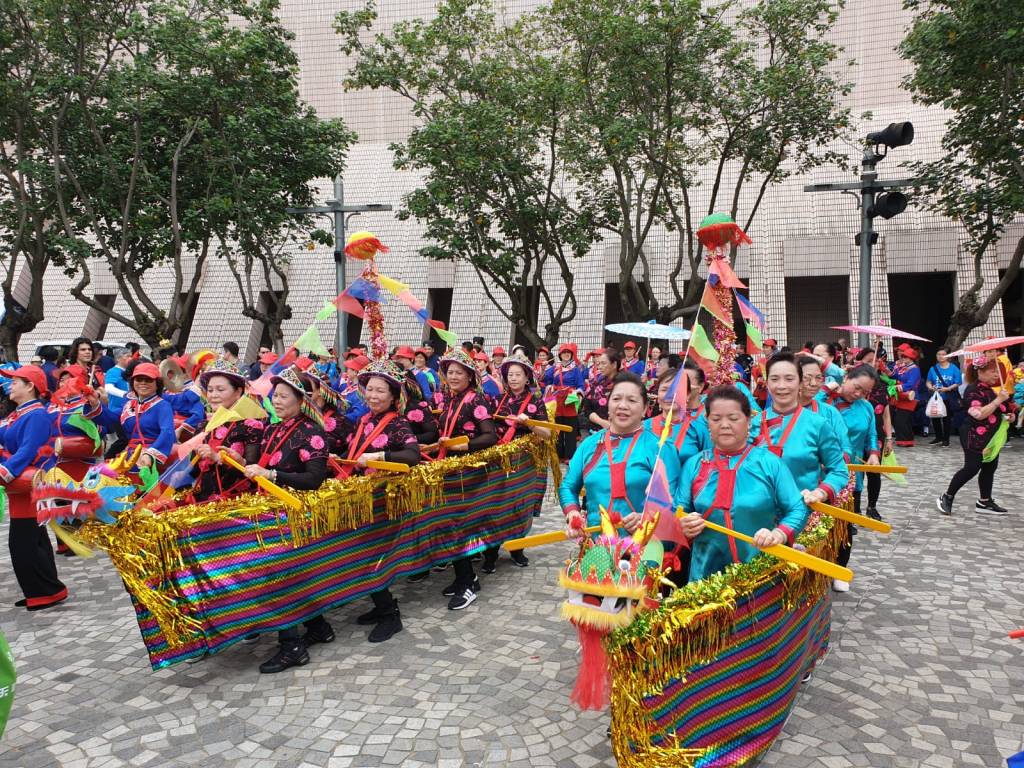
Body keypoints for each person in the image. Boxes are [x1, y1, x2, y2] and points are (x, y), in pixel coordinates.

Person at [243, 365, 333, 672]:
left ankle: (292, 646)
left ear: (301, 400)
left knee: (280, 578)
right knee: (291, 576)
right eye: (275, 396)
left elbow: (314, 479)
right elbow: (259, 465)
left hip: (295, 515)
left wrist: (272, 475)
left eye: (283, 396)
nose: (277, 401)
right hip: (273, 513)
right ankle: (319, 627)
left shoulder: (312, 433)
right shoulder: (273, 428)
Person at [677, 386, 810, 583]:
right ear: (707, 422)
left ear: (748, 421)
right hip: (704, 581)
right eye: (716, 419)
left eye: (733, 418)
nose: (724, 425)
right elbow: (678, 509)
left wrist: (779, 534)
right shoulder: (694, 465)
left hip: (760, 578)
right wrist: (682, 524)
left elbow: (797, 508)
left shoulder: (769, 463)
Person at [339, 360, 423, 642]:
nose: (373, 396)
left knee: (371, 556)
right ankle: (381, 606)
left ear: (393, 396)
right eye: (370, 390)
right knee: (361, 554)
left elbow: (412, 456)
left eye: (380, 391)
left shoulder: (398, 422)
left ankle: (390, 615)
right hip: (359, 496)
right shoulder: (364, 420)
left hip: (381, 500)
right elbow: (354, 451)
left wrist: (379, 457)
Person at [560, 372, 681, 539]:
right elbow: (568, 486)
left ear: (645, 408)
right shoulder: (589, 445)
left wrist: (647, 517)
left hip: (646, 546)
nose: (622, 405)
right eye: (616, 399)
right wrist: (573, 512)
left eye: (632, 400)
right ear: (608, 405)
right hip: (597, 547)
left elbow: (674, 499)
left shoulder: (660, 448)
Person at [428, 349, 498, 610]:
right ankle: (466, 577)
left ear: (470, 376)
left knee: (457, 526)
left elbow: (490, 436)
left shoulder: (475, 399)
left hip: (468, 472)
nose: (454, 376)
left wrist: (463, 446)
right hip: (449, 468)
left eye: (459, 372)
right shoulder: (451, 398)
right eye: (450, 372)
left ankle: (467, 584)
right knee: (450, 525)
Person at [0, 365, 67, 610]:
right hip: (21, 482)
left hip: (31, 481)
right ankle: (47, 589)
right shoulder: (18, 414)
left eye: (15, 382)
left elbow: (28, 450)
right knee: (33, 537)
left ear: (30, 386)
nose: (10, 385)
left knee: (23, 541)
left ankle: (44, 591)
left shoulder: (36, 415)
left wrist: (5, 471)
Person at [750, 352, 848, 506]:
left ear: (800, 383)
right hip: (761, 514)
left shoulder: (818, 424)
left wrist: (820, 492)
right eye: (774, 379)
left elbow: (839, 470)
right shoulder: (753, 424)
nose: (781, 386)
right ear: (767, 383)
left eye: (789, 379)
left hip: (804, 511)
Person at [483, 352, 551, 573]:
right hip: (499, 461)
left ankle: (517, 549)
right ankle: (491, 553)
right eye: (510, 374)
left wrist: (529, 423)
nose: (513, 378)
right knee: (495, 504)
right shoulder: (497, 400)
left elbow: (547, 434)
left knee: (520, 504)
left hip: (525, 463)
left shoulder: (536, 401)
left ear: (527, 377)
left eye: (518, 374)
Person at [821, 363, 881, 591]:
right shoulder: (825, 402)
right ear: (846, 378)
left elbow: (871, 435)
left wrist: (873, 454)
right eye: (856, 387)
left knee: (844, 526)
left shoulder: (865, 407)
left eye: (864, 392)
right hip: (819, 474)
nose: (858, 394)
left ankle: (840, 570)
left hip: (850, 476)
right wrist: (826, 390)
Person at [936, 356, 1012, 517]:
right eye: (993, 371)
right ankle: (947, 496)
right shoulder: (973, 390)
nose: (996, 375)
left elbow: (1002, 410)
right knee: (972, 468)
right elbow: (978, 414)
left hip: (990, 437)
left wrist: (1009, 415)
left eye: (997, 372)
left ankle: (985, 501)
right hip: (973, 435)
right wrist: (998, 400)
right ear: (981, 372)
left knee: (989, 467)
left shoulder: (991, 390)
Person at [192, 358, 263, 502]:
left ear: (238, 392)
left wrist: (219, 458)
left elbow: (253, 471)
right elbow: (194, 470)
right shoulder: (203, 426)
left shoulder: (251, 426)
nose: (213, 395)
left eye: (220, 390)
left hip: (237, 502)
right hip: (203, 502)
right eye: (210, 390)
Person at [96, 362, 176, 469]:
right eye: (138, 379)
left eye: (148, 380)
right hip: (131, 456)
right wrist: (95, 403)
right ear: (132, 382)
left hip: (151, 459)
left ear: (157, 383)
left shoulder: (162, 406)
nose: (143, 383)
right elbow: (111, 419)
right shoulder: (129, 404)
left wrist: (150, 454)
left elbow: (167, 432)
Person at [644, 364, 710, 470]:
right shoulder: (644, 427)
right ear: (658, 394)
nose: (670, 395)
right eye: (664, 389)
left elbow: (709, 465)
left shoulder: (699, 429)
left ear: (688, 395)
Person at [542, 343, 587, 461]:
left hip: (569, 401)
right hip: (557, 401)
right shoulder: (555, 368)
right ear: (560, 355)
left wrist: (576, 393)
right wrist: (543, 368)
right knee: (557, 429)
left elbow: (581, 385)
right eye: (564, 352)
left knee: (570, 429)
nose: (566, 354)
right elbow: (545, 380)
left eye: (568, 352)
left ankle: (570, 456)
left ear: (571, 354)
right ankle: (558, 454)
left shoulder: (576, 369)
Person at [926, 346, 962, 447]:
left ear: (948, 356)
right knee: (935, 416)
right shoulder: (933, 369)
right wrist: (931, 387)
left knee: (946, 418)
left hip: (948, 397)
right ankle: (938, 437)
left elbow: (958, 382)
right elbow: (928, 381)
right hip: (936, 397)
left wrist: (948, 388)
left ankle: (946, 439)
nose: (941, 356)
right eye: (939, 354)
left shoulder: (954, 368)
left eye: (943, 354)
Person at [582, 348, 621, 433]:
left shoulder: (625, 384)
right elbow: (587, 410)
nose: (599, 367)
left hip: (620, 431)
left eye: (603, 363)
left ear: (614, 364)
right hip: (596, 431)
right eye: (599, 363)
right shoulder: (595, 383)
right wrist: (602, 422)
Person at [890, 343, 921, 447]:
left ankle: (906, 440)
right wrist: (886, 370)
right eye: (903, 356)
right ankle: (903, 440)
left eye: (905, 357)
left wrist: (897, 387)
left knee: (902, 419)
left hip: (910, 396)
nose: (902, 358)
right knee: (901, 419)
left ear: (911, 358)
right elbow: (898, 376)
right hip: (903, 396)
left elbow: (911, 383)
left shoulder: (914, 369)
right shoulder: (906, 368)